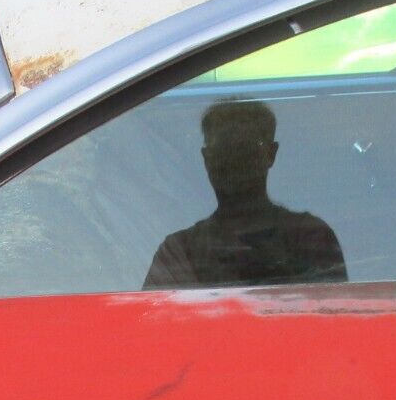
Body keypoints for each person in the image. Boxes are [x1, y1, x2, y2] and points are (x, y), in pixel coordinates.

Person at [145, 99, 347, 289]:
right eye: (223, 149)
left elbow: (334, 317)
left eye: (244, 149)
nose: (234, 161)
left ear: (270, 153)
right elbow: (155, 321)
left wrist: (282, 268)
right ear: (207, 159)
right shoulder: (179, 252)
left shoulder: (310, 237)